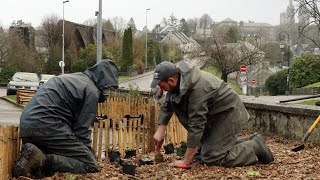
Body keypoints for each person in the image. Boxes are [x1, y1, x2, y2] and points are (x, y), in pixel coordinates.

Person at [151, 61, 274, 168]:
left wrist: (186, 161)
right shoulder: (179, 82)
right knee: (204, 153)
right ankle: (250, 141)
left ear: (171, 80)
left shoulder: (198, 90)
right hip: (215, 115)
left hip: (229, 114)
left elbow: (196, 124)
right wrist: (161, 129)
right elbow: (169, 103)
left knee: (212, 157)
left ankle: (254, 146)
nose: (162, 90)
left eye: (162, 86)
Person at [13, 59, 119, 178]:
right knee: (90, 164)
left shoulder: (74, 78)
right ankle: (42, 160)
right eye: (108, 88)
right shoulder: (91, 91)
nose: (107, 92)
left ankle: (34, 160)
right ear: (104, 80)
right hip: (48, 126)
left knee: (69, 153)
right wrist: (88, 153)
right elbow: (81, 130)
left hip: (27, 125)